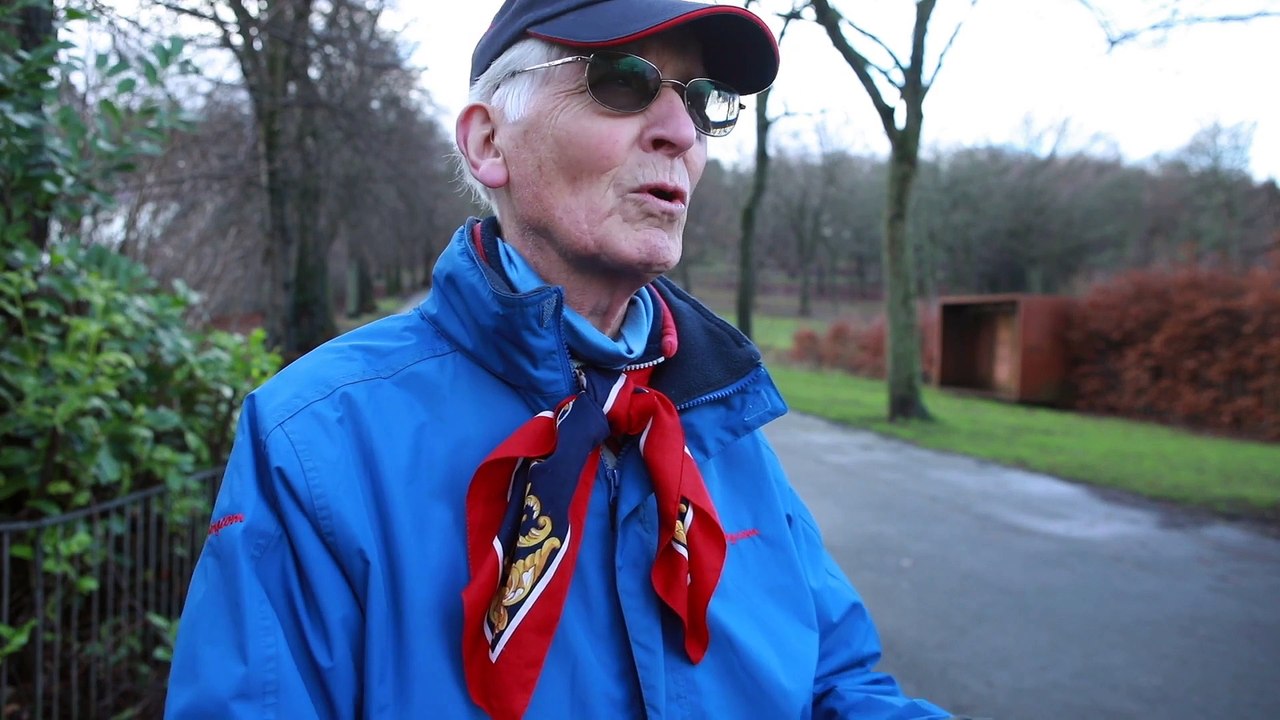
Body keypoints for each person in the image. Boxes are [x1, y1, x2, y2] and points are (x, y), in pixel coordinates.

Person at [164, 0, 954, 718]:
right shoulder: (316, 441)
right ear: (487, 142)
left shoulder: (721, 419)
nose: (680, 131)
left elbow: (838, 685)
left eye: (703, 100)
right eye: (623, 81)